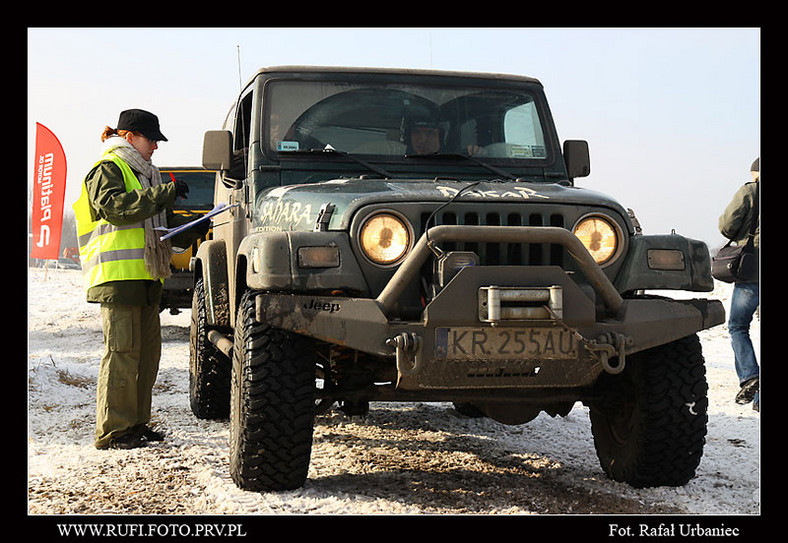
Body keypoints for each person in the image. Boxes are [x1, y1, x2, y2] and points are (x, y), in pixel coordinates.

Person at [73, 109, 209, 449]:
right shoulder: (107, 169)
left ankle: (135, 424)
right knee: (122, 355)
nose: (156, 148)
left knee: (147, 357)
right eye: (152, 140)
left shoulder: (149, 175)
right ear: (130, 137)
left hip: (148, 279)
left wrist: (192, 229)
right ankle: (113, 431)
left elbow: (162, 229)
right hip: (117, 280)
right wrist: (164, 194)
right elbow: (118, 209)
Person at [718, 158, 760, 411]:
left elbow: (726, 226)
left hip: (754, 269)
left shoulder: (750, 191)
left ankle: (750, 376)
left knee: (737, 326)